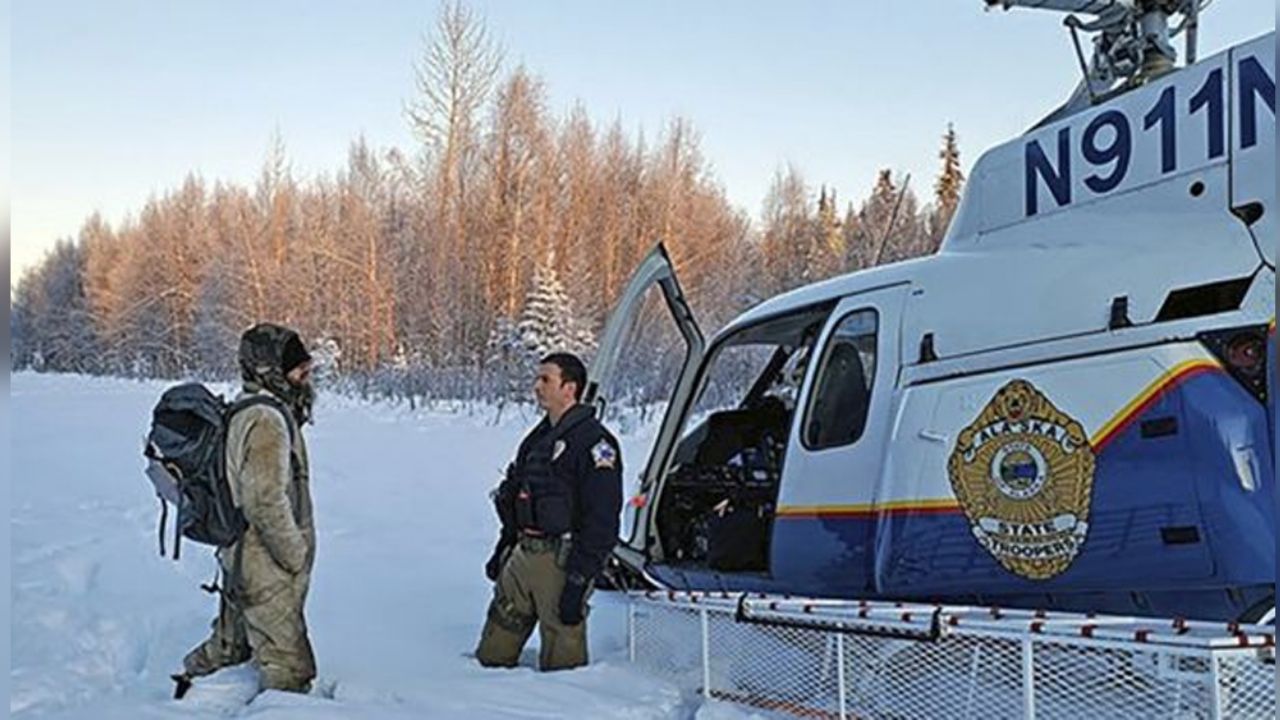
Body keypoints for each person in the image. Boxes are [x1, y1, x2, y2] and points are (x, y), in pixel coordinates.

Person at [177, 323, 318, 695]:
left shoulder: (253, 409)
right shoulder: (266, 421)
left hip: (242, 555)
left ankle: (188, 689)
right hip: (264, 563)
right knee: (290, 671)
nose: (307, 376)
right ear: (270, 370)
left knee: (230, 645)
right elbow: (264, 500)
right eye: (299, 370)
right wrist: (294, 554)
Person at [475, 352, 623, 671]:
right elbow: (517, 498)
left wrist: (580, 577)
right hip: (522, 554)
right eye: (537, 378)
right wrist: (503, 548)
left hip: (562, 560)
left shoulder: (595, 443)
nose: (537, 386)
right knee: (490, 657)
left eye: (546, 379)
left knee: (562, 669)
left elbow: (603, 517)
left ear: (569, 388)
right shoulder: (538, 439)